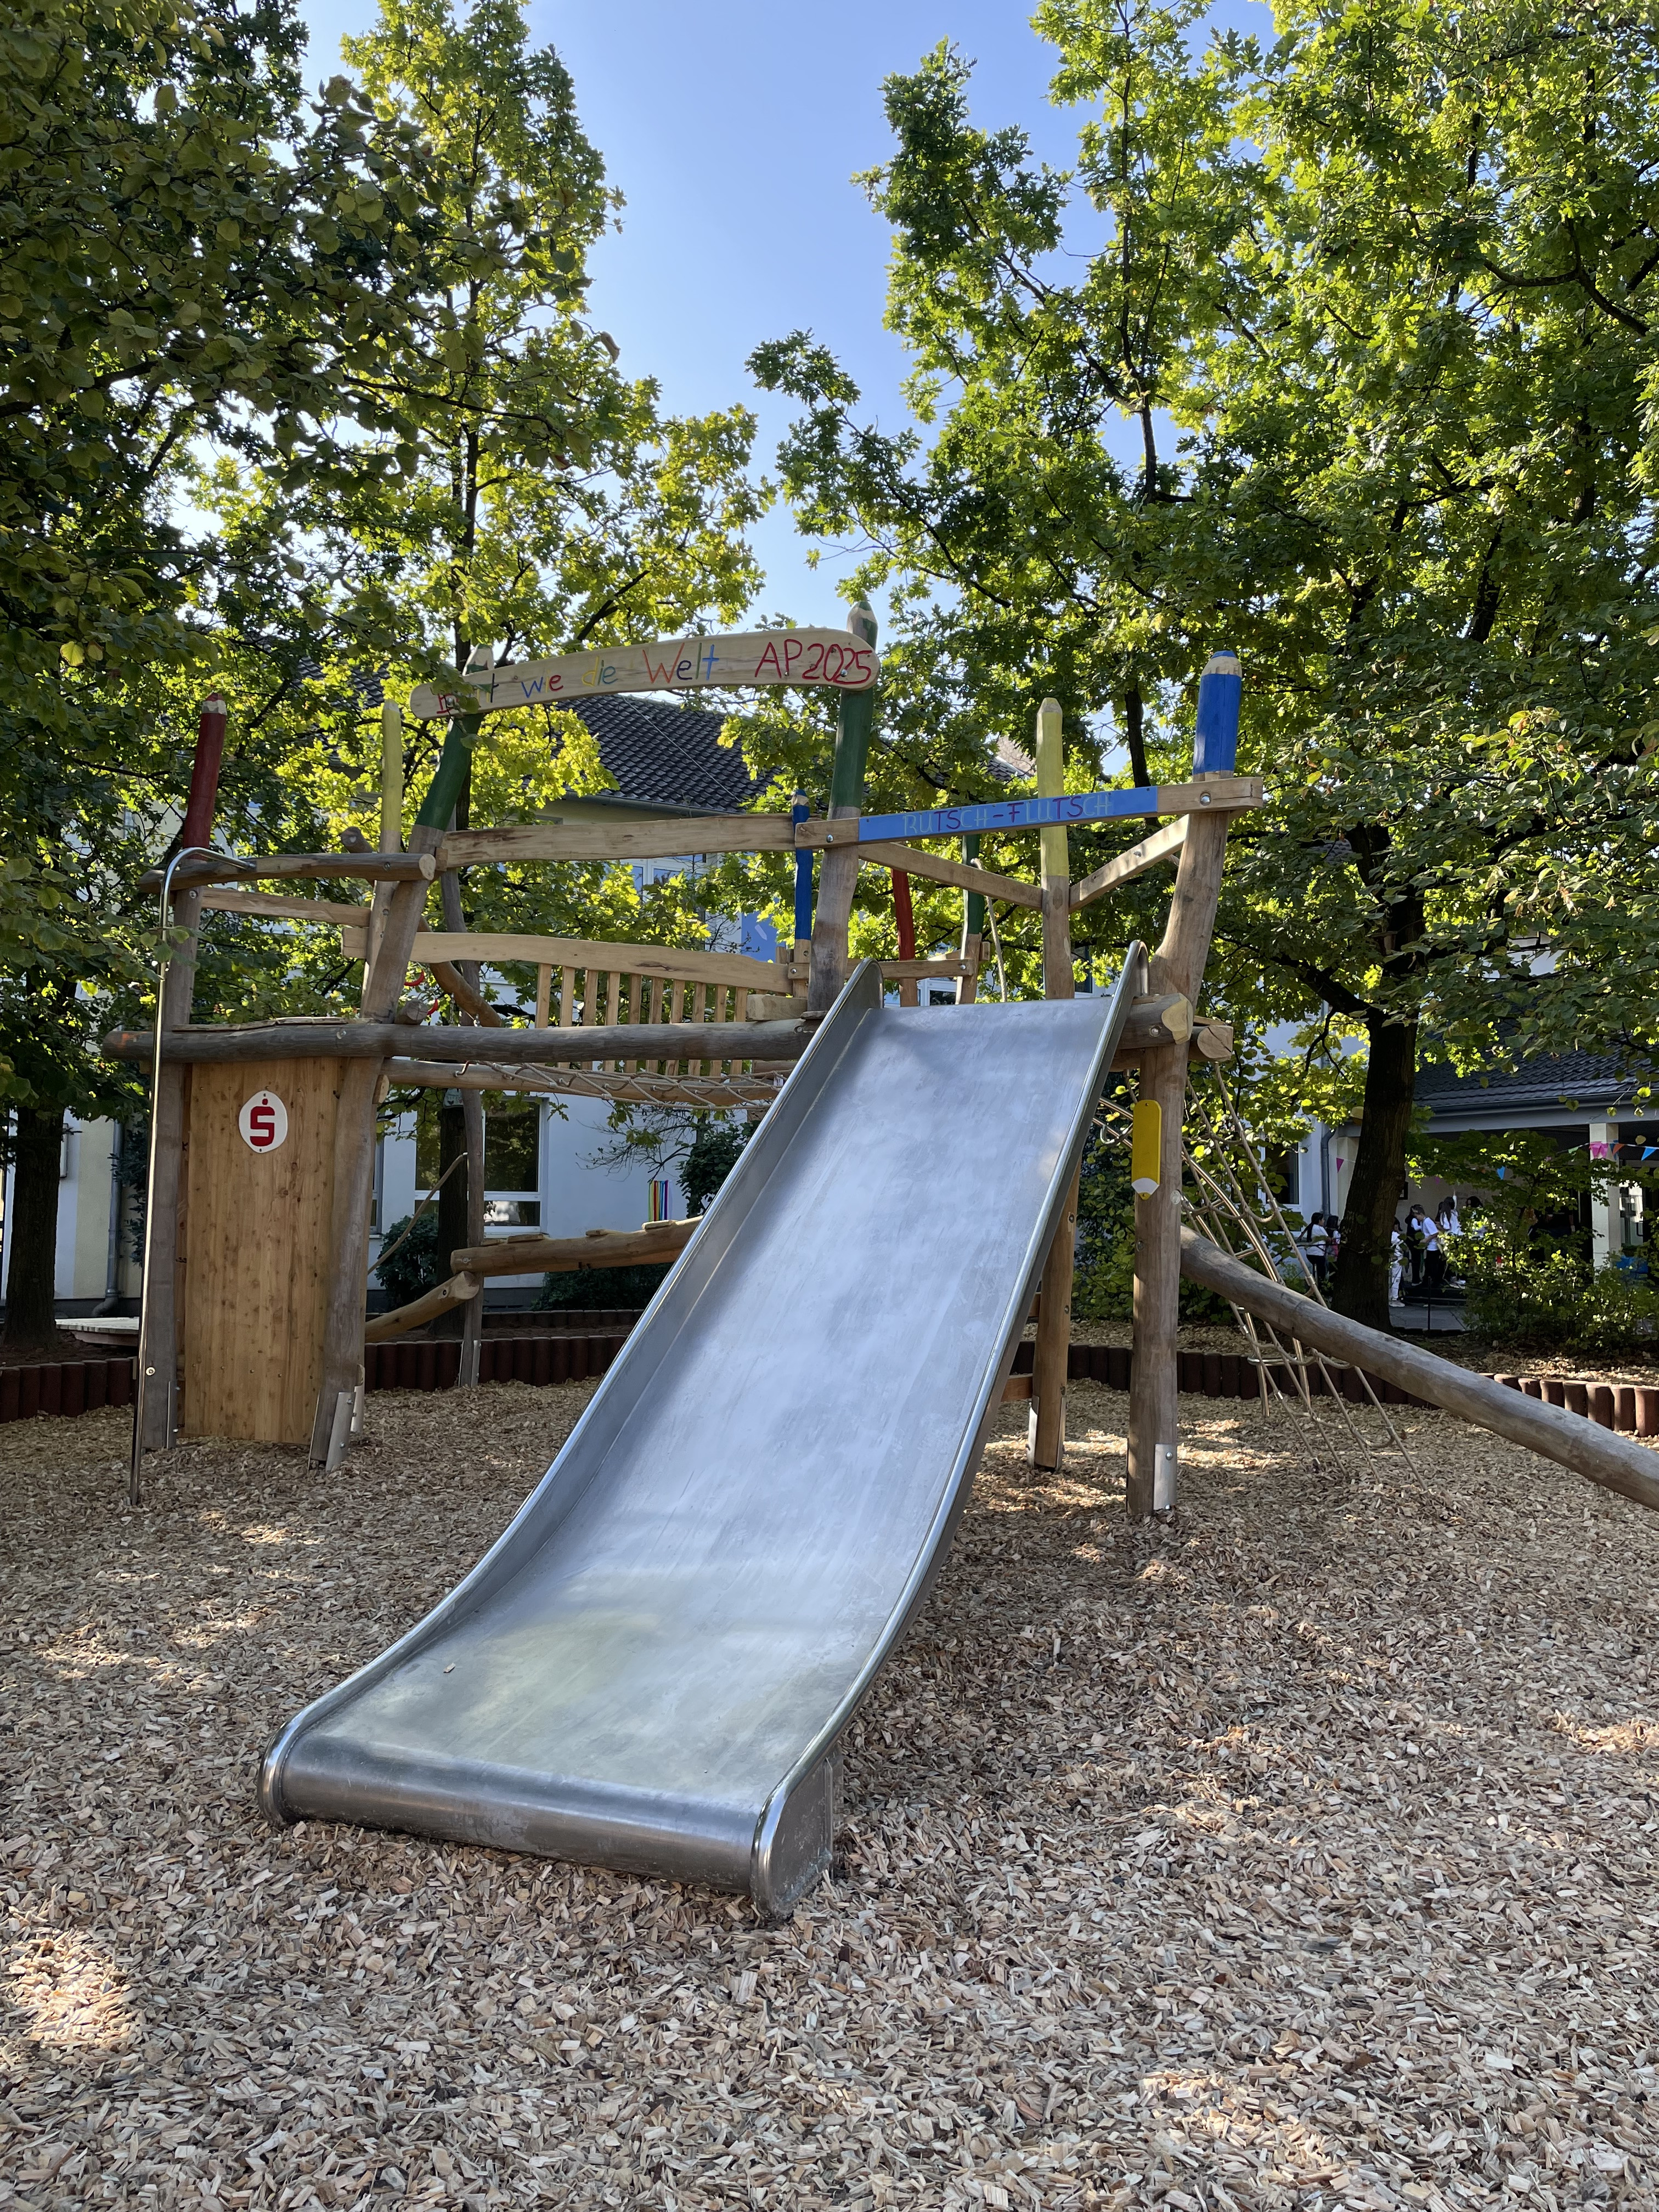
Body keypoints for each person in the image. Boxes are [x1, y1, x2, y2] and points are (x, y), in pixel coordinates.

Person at [1422, 1207, 1445, 1291]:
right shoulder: (1427, 1221)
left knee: (1433, 1264)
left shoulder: (1428, 1221)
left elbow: (1435, 1233)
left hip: (1434, 1246)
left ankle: (1434, 1281)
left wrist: (1426, 1240)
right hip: (1431, 1246)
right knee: (1429, 1264)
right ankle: (1428, 1281)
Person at [1389, 1220, 1404, 1304]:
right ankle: (1394, 1297)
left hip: (1391, 1257)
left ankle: (1391, 1296)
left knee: (1390, 1277)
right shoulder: (1396, 1235)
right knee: (1396, 1278)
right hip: (1397, 1257)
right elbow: (1402, 1248)